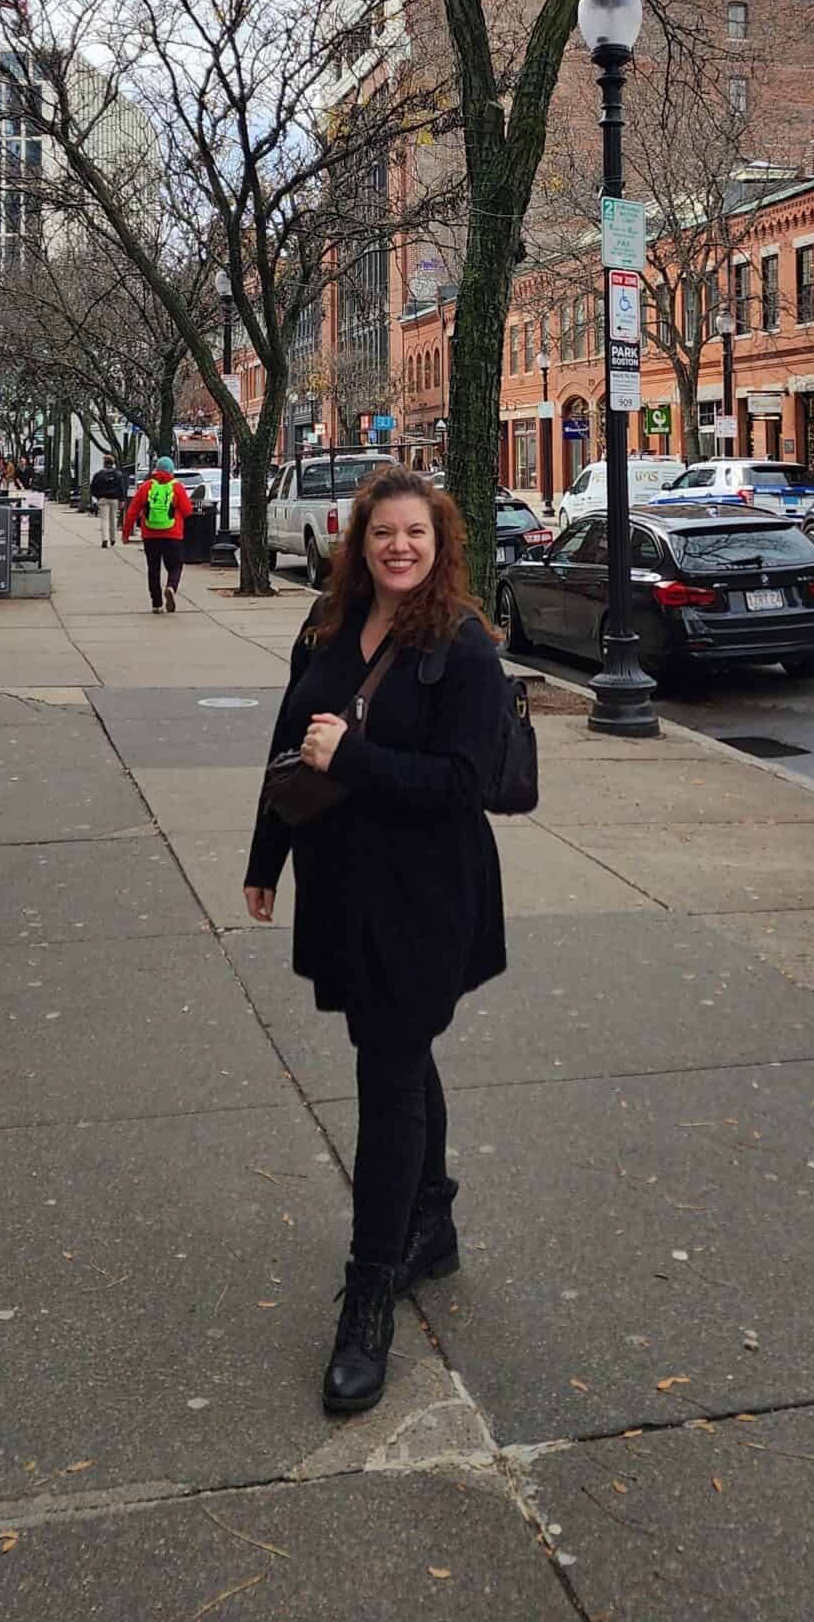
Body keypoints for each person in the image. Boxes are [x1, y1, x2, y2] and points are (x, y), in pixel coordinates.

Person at [244, 468, 507, 1416]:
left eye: (416, 535)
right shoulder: (324, 626)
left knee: (386, 1069)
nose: (399, 547)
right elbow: (287, 745)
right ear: (359, 542)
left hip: (427, 898)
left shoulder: (462, 648)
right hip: (343, 886)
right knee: (392, 1050)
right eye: (383, 533)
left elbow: (462, 785)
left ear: (440, 547)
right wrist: (266, 855)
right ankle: (429, 1224)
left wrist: (351, 758)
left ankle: (370, 1291)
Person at [121, 458, 193, 612]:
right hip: (173, 534)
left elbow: (132, 511)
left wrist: (126, 533)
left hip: (150, 535)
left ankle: (157, 604)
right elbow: (187, 511)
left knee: (153, 569)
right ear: (171, 471)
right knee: (175, 566)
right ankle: (171, 587)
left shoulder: (146, 487)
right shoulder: (177, 488)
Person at [90, 457, 125, 548]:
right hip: (114, 499)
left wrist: (97, 497)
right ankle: (113, 539)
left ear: (104, 463)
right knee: (113, 519)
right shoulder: (118, 474)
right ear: (113, 463)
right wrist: (122, 500)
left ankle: (104, 539)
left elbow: (93, 487)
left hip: (103, 499)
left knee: (104, 519)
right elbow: (121, 488)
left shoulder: (98, 475)